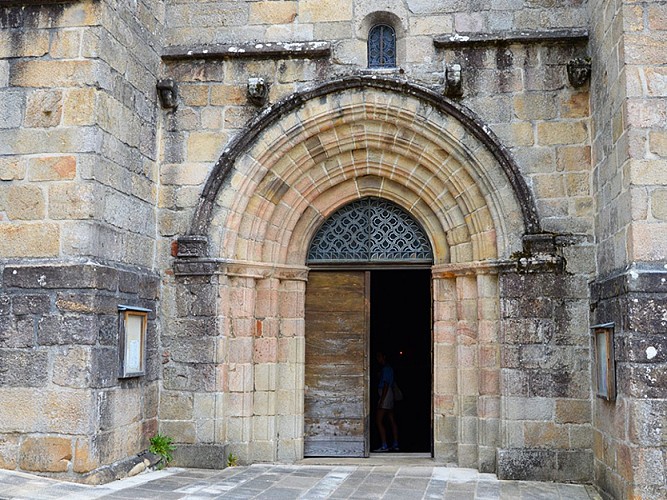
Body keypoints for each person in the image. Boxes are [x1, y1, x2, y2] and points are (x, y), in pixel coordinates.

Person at [374, 351, 399, 452]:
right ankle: (395, 443)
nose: (378, 359)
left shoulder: (386, 369)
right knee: (391, 420)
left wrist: (382, 400)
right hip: (389, 395)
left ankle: (384, 445)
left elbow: (386, 385)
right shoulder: (389, 369)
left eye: (379, 356)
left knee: (378, 420)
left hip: (386, 395)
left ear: (384, 357)